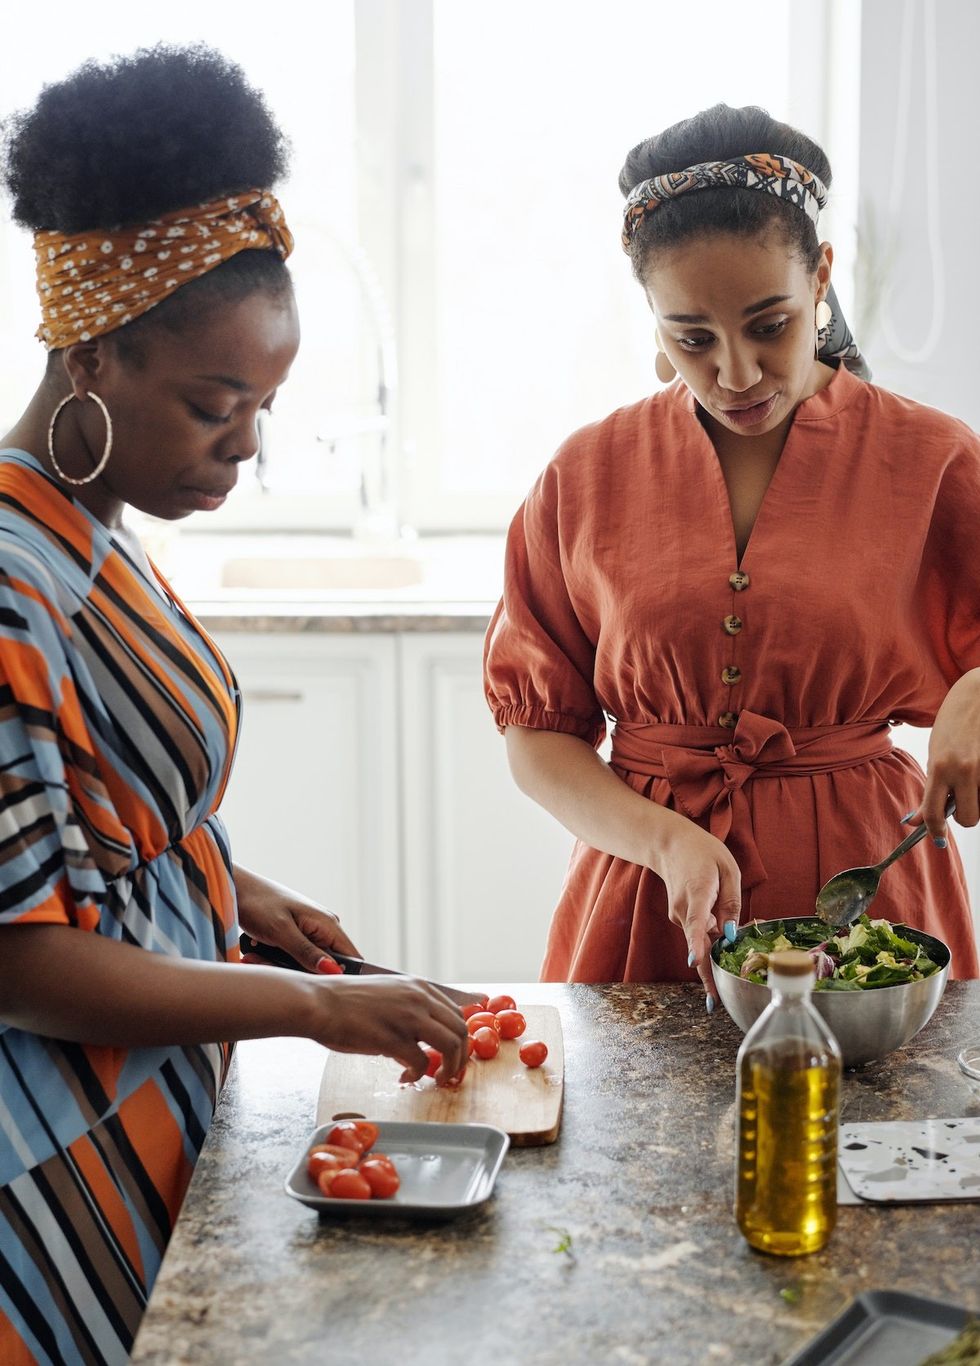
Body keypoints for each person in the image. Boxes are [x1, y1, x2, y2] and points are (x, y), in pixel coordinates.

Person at [0, 45, 469, 1365]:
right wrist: (314, 1008)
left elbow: (79, 814)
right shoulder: (8, 582)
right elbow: (21, 960)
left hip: (141, 1103)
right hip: (45, 1155)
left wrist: (230, 883)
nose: (249, 444)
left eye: (263, 401)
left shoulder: (83, 525)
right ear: (95, 357)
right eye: (217, 404)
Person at [484, 103, 980, 1002]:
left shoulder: (935, 459)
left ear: (822, 277)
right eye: (693, 339)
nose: (737, 374)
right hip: (643, 904)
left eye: (770, 325)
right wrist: (663, 839)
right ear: (650, 315)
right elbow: (537, 737)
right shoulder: (583, 473)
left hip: (875, 904)